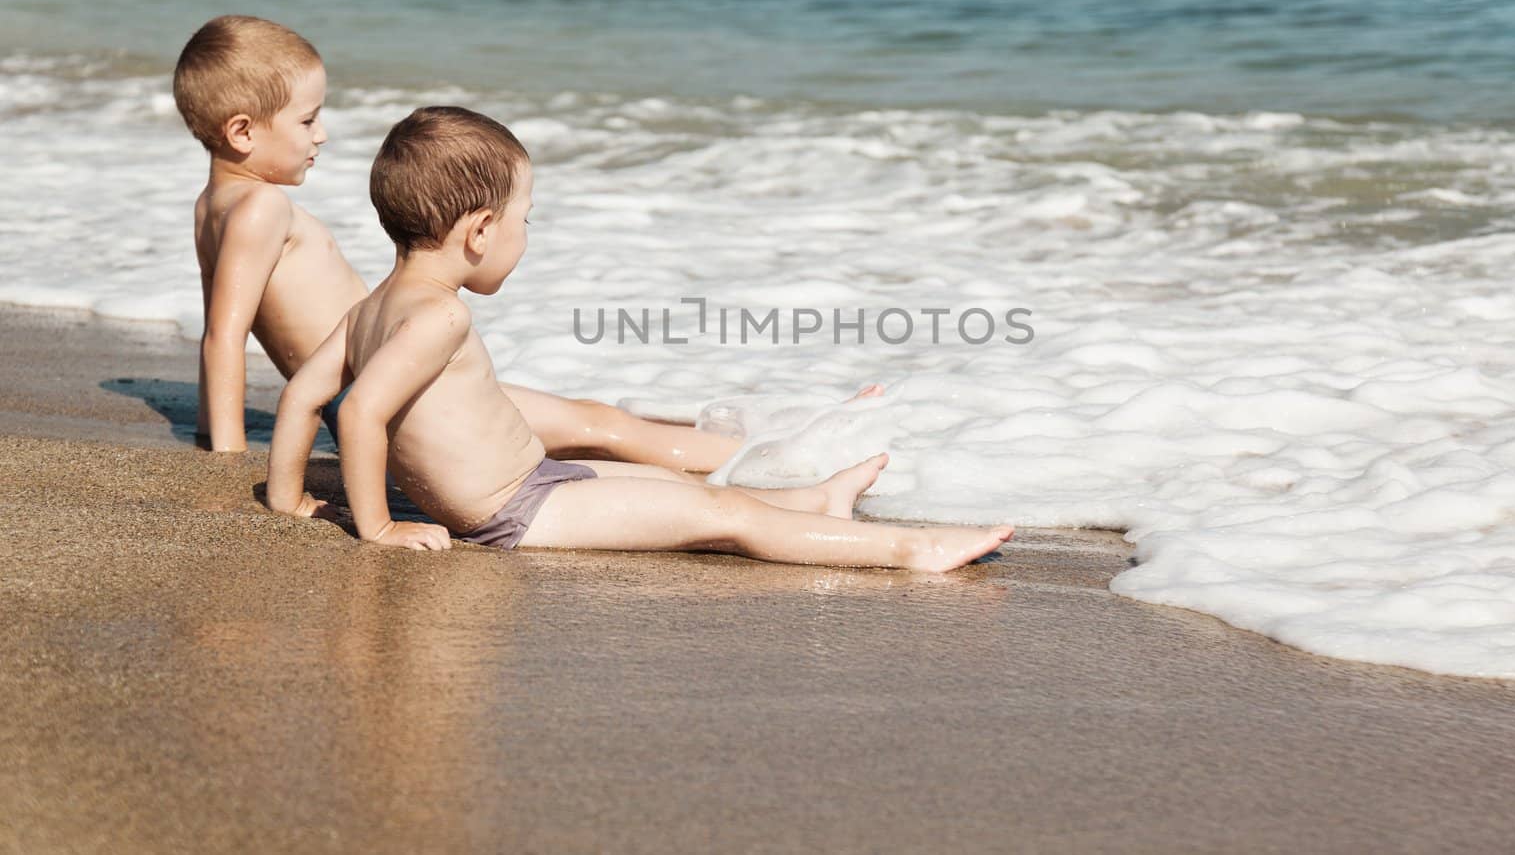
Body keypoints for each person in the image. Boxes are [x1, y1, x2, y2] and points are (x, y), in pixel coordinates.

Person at [266, 106, 1013, 569]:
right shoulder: (442, 315)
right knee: (720, 518)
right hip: (518, 513)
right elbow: (359, 415)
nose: (527, 235)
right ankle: (911, 549)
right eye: (526, 220)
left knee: (681, 490)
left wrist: (289, 496)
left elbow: (305, 395)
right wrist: (379, 527)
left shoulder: (370, 307)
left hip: (535, 483)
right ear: (480, 231)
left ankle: (819, 499)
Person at [176, 14, 838, 466]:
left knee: (575, 427)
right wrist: (227, 459)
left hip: (380, 386)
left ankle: (749, 446)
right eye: (308, 118)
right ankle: (765, 458)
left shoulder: (215, 206)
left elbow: (219, 332)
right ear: (242, 132)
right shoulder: (262, 208)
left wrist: (211, 428)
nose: (321, 134)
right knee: (593, 427)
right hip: (400, 392)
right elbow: (225, 338)